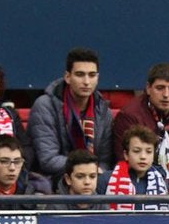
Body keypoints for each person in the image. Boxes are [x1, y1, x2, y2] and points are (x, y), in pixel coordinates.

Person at [112, 62, 169, 193]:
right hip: (143, 187)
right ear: (148, 88)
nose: (166, 95)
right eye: (160, 88)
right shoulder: (129, 115)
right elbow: (126, 161)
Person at [30, 47, 114, 179]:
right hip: (54, 184)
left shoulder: (104, 111)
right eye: (80, 74)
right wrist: (87, 170)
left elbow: (105, 161)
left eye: (92, 75)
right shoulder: (45, 106)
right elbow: (48, 160)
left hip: (93, 182)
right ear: (68, 77)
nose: (86, 82)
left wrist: (93, 175)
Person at [104, 126, 169, 211]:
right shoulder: (106, 179)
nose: (143, 157)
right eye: (136, 151)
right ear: (126, 155)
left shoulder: (162, 182)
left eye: (149, 152)